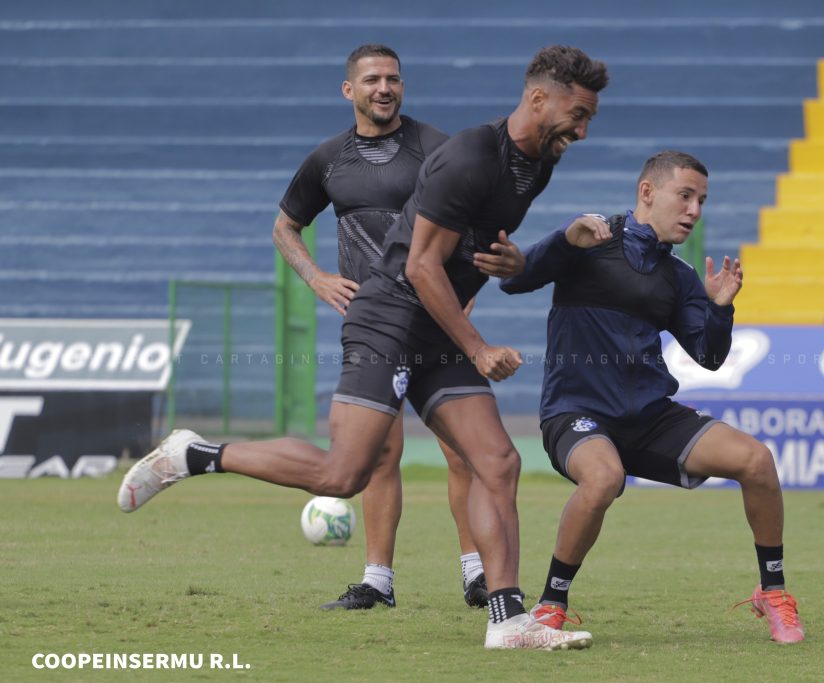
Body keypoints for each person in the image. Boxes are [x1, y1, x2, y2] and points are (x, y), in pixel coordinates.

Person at [118, 45, 609, 651]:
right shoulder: (467, 158)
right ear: (539, 99)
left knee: (498, 463)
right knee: (343, 473)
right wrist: (478, 347)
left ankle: (506, 620)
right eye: (578, 114)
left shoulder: (535, 164)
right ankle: (192, 455)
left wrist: (519, 260)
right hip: (389, 318)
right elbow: (424, 267)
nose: (584, 130)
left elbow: (472, 253)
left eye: (589, 118)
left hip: (434, 324)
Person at [499, 151, 806, 644]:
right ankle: (552, 603)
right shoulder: (589, 239)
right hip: (575, 413)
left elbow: (708, 355)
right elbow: (514, 279)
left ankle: (772, 593)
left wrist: (721, 309)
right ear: (647, 192)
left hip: (650, 418)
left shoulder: (679, 276)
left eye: (702, 200)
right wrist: (562, 240)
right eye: (684, 195)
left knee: (757, 460)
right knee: (603, 478)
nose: (694, 210)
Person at [268, 44, 486, 611]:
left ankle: (476, 574)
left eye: (392, 79)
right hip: (374, 329)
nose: (383, 88)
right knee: (377, 456)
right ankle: (377, 581)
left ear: (403, 87)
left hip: (434, 324)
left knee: (462, 452)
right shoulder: (327, 160)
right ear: (350, 91)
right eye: (371, 80)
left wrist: (457, 301)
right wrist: (316, 278)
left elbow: (478, 228)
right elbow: (285, 227)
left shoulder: (435, 148)